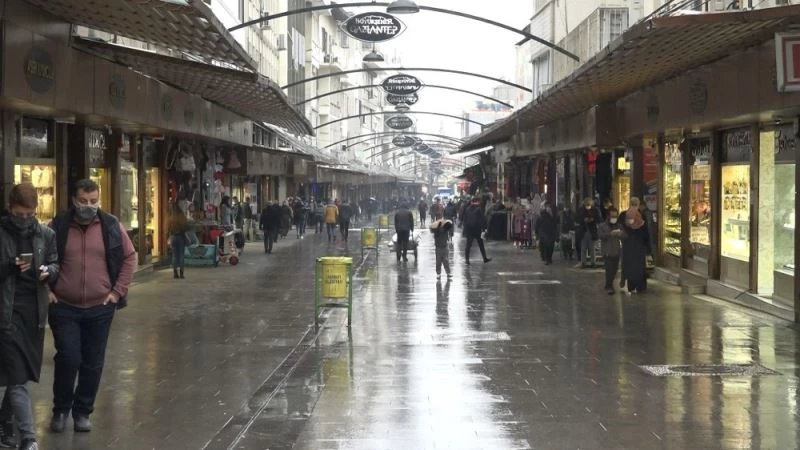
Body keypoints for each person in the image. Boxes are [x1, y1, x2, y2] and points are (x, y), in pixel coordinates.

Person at [49, 179, 136, 434]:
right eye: (83, 201)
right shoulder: (59, 226)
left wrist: (117, 292)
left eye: (94, 201)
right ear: (74, 200)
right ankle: (61, 409)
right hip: (64, 306)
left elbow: (130, 257)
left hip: (100, 307)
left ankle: (82, 412)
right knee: (68, 357)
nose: (88, 206)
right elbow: (41, 258)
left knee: (93, 361)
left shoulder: (111, 225)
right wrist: (47, 290)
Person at [0, 183, 60, 450]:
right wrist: (9, 267)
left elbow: (55, 263)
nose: (24, 219)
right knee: (17, 376)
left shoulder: (46, 234)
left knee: (19, 374)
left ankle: (5, 423)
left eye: (29, 214)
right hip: (7, 313)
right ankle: (28, 437)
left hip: (34, 314)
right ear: (9, 208)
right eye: (19, 214)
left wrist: (49, 272)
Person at [620, 197, 649, 295]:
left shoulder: (624, 215)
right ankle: (639, 286)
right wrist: (647, 246)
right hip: (638, 245)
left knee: (630, 265)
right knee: (638, 267)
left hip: (629, 245)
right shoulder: (641, 216)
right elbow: (646, 232)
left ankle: (631, 286)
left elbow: (621, 228)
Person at [598, 207, 623, 294]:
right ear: (608, 216)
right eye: (612, 216)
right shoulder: (602, 226)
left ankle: (608, 285)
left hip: (616, 251)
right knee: (609, 269)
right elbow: (600, 236)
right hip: (607, 251)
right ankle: (609, 286)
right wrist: (610, 234)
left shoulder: (619, 225)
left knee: (614, 270)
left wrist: (620, 234)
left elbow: (624, 235)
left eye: (615, 216)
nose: (614, 218)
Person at [463, 196, 491, 265]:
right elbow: (482, 219)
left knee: (468, 245)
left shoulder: (467, 209)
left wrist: (465, 229)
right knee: (481, 244)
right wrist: (484, 229)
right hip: (477, 229)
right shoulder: (479, 209)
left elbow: (465, 220)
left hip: (469, 229)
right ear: (477, 201)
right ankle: (485, 258)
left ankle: (467, 260)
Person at [576, 197, 601, 268]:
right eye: (586, 204)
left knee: (592, 248)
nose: (588, 206)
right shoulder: (581, 210)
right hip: (583, 231)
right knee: (583, 248)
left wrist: (593, 219)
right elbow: (577, 219)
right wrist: (583, 220)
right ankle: (583, 263)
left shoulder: (595, 210)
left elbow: (599, 219)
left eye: (589, 204)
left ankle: (593, 263)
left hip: (592, 231)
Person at [167, 203, 189, 279]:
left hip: (173, 237)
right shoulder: (181, 215)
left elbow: (167, 227)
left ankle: (175, 273)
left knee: (174, 255)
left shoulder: (170, 216)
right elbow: (185, 226)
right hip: (180, 236)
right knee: (181, 255)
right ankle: (181, 273)